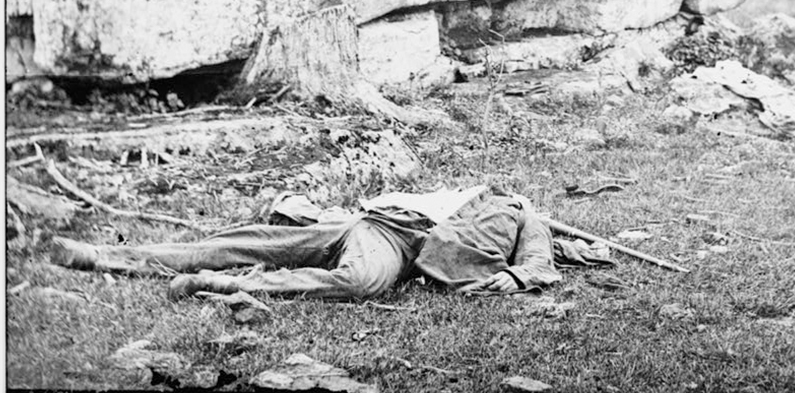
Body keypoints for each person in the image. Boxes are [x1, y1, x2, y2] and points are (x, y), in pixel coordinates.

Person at [49, 186, 592, 301]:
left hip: (396, 245)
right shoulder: (475, 191)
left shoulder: (524, 214)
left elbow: (538, 257)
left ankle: (224, 284)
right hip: (371, 217)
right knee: (253, 239)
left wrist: (522, 275)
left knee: (359, 281)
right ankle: (103, 256)